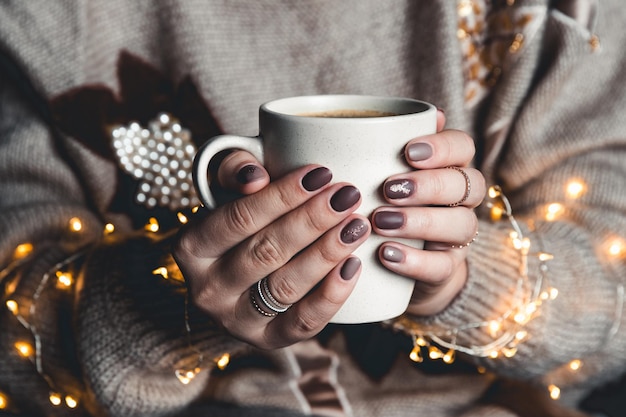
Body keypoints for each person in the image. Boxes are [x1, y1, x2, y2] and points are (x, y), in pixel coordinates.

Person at [0, 1, 625, 417]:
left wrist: (466, 284)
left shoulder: (559, 15)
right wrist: (169, 301)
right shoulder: (44, 18)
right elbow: (11, 341)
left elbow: (616, 294)